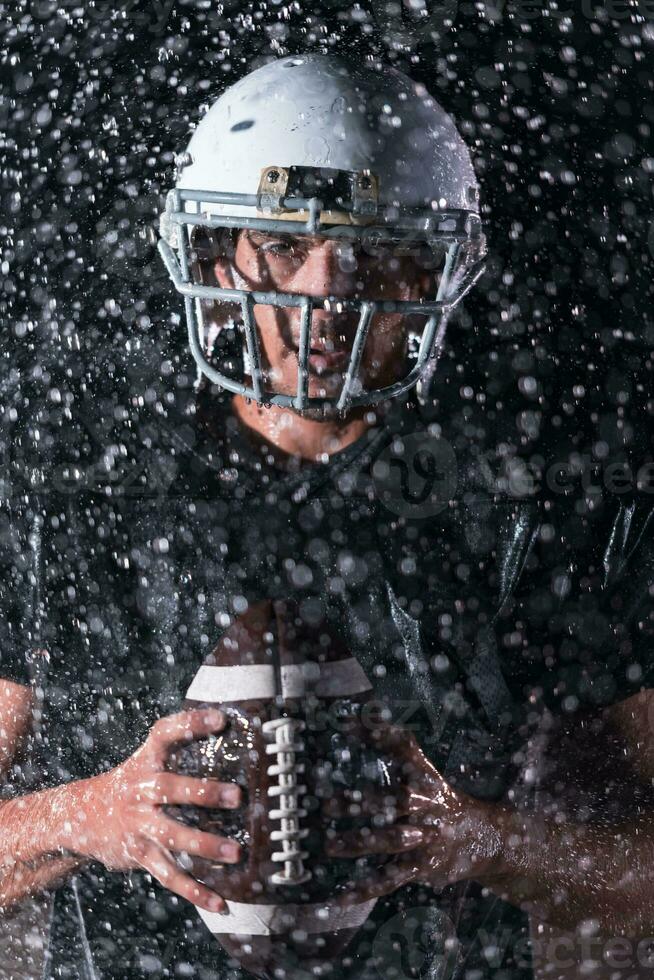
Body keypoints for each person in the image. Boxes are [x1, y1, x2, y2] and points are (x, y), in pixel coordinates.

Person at [1, 52, 654, 980]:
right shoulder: (77, 496)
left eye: (375, 251)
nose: (324, 295)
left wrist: (482, 842)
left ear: (436, 269)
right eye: (281, 244)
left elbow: (639, 874)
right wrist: (95, 816)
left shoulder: (522, 507)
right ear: (219, 253)